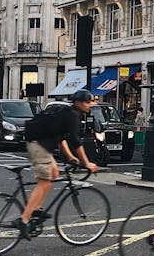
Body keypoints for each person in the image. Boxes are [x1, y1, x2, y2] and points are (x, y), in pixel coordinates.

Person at [12, 89, 99, 240]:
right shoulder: (73, 115)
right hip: (38, 144)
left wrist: (71, 157)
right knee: (44, 182)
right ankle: (24, 220)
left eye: (90, 102)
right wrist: (87, 163)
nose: (89, 105)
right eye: (87, 102)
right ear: (78, 102)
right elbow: (75, 141)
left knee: (54, 173)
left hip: (39, 142)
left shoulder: (67, 112)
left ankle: (36, 209)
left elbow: (61, 138)